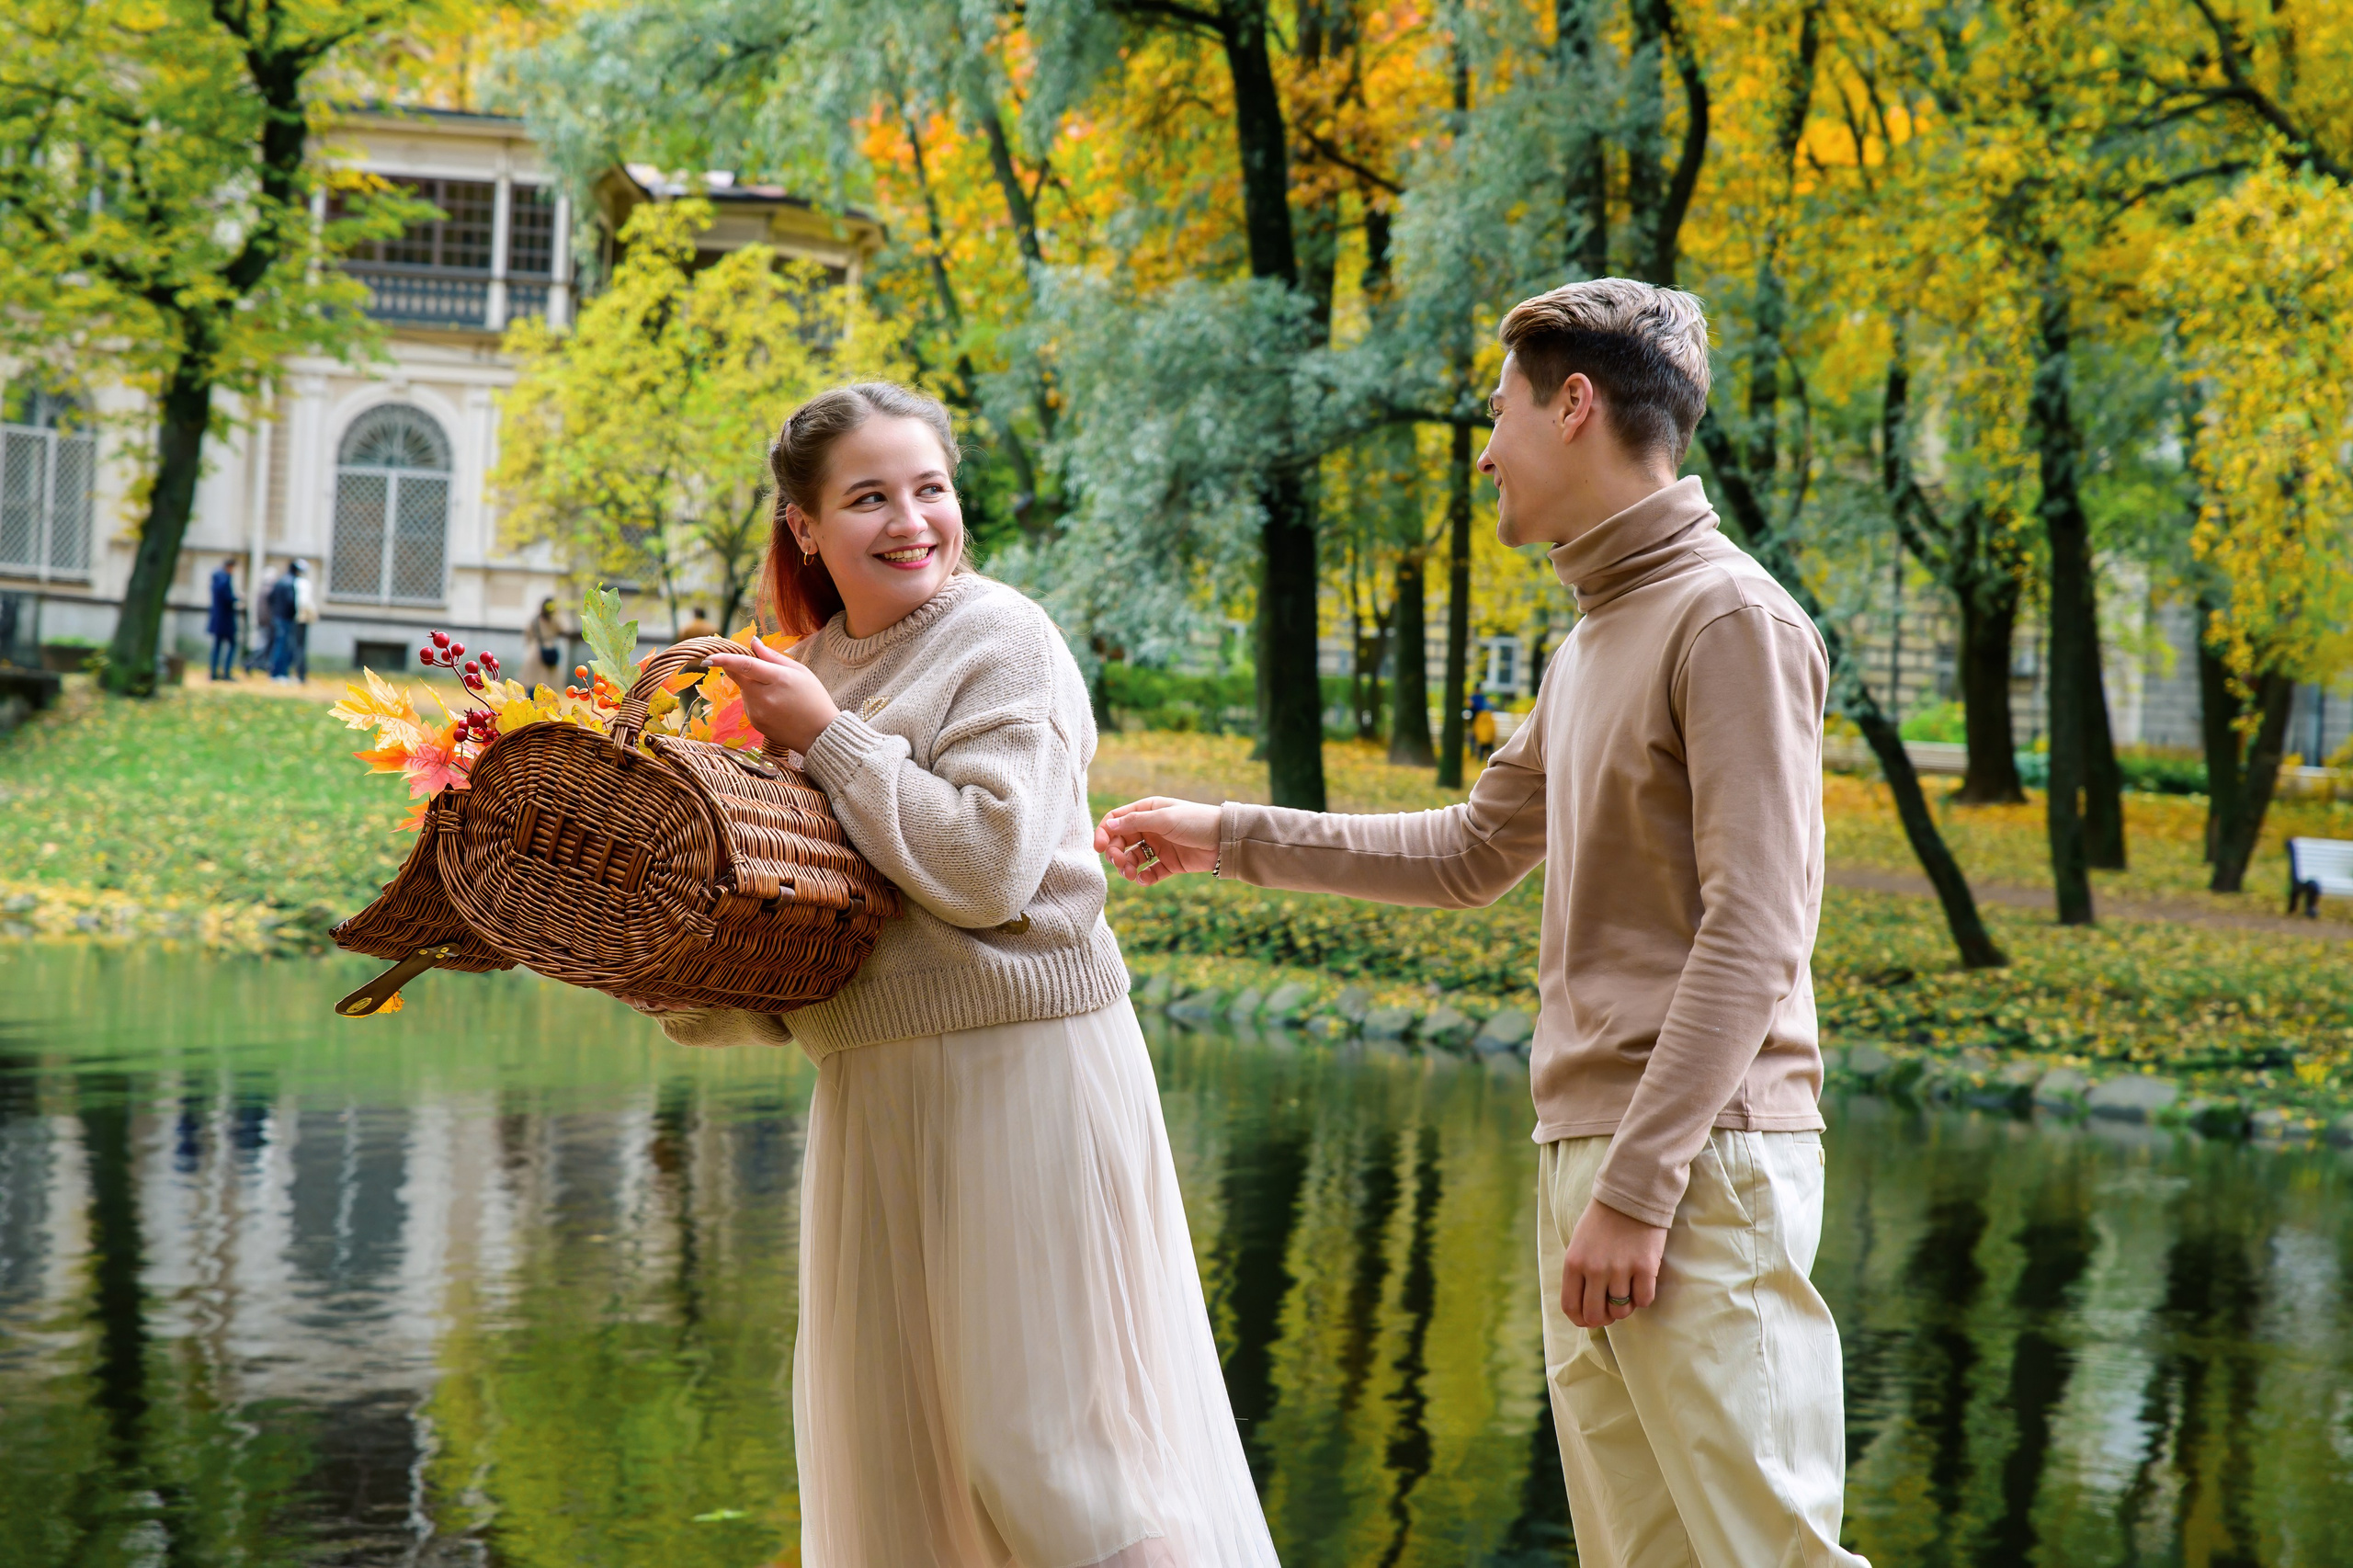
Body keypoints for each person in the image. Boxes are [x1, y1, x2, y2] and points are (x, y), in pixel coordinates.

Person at [1097, 280, 1866, 1568]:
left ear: (1575, 406)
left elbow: (1757, 931)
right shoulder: (1597, 634)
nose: (1488, 449)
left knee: (1767, 1556)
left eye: (1499, 411)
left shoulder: (1729, 617)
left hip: (1694, 1162)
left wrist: (1637, 1182)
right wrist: (1227, 832)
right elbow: (1468, 851)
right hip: (1600, 1155)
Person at [646, 382, 1277, 1568]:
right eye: (869, 496)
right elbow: (815, 942)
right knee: (900, 1467)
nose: (909, 519)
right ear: (805, 526)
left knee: (1051, 1456)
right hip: (876, 1094)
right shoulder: (802, 668)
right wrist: (657, 958)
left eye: (927, 487)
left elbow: (985, 871)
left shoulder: (1000, 639)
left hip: (1021, 1076)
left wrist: (829, 736)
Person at [207, 558, 242, 681]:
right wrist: (236, 598)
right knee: (232, 644)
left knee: (217, 646)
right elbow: (226, 596)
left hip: (217, 618)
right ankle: (226, 672)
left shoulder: (216, 577)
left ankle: (214, 672)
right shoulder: (225, 578)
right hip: (225, 619)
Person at [264, 562, 300, 682]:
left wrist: (275, 611)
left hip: (277, 617)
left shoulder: (280, 581)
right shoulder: (290, 582)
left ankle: (275, 673)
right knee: (283, 647)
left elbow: (270, 598)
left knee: (278, 645)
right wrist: (294, 614)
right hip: (286, 619)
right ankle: (280, 674)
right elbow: (291, 602)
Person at [525, 597, 566, 690]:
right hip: (544, 648)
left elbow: (528, 635)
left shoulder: (541, 620)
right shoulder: (551, 619)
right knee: (540, 679)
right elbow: (562, 630)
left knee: (537, 679)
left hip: (539, 649)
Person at [290, 559, 316, 682]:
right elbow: (304, 602)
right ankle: (300, 674)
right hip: (301, 618)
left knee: (298, 646)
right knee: (300, 647)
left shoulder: (296, 582)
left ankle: (300, 674)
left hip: (298, 618)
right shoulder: (303, 583)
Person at [1469, 680, 1497, 761]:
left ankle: (1475, 754)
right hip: (1481, 722)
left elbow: (1472, 708)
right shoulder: (1483, 698)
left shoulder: (1474, 698)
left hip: (1478, 722)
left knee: (1477, 739)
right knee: (1482, 739)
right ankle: (1479, 755)